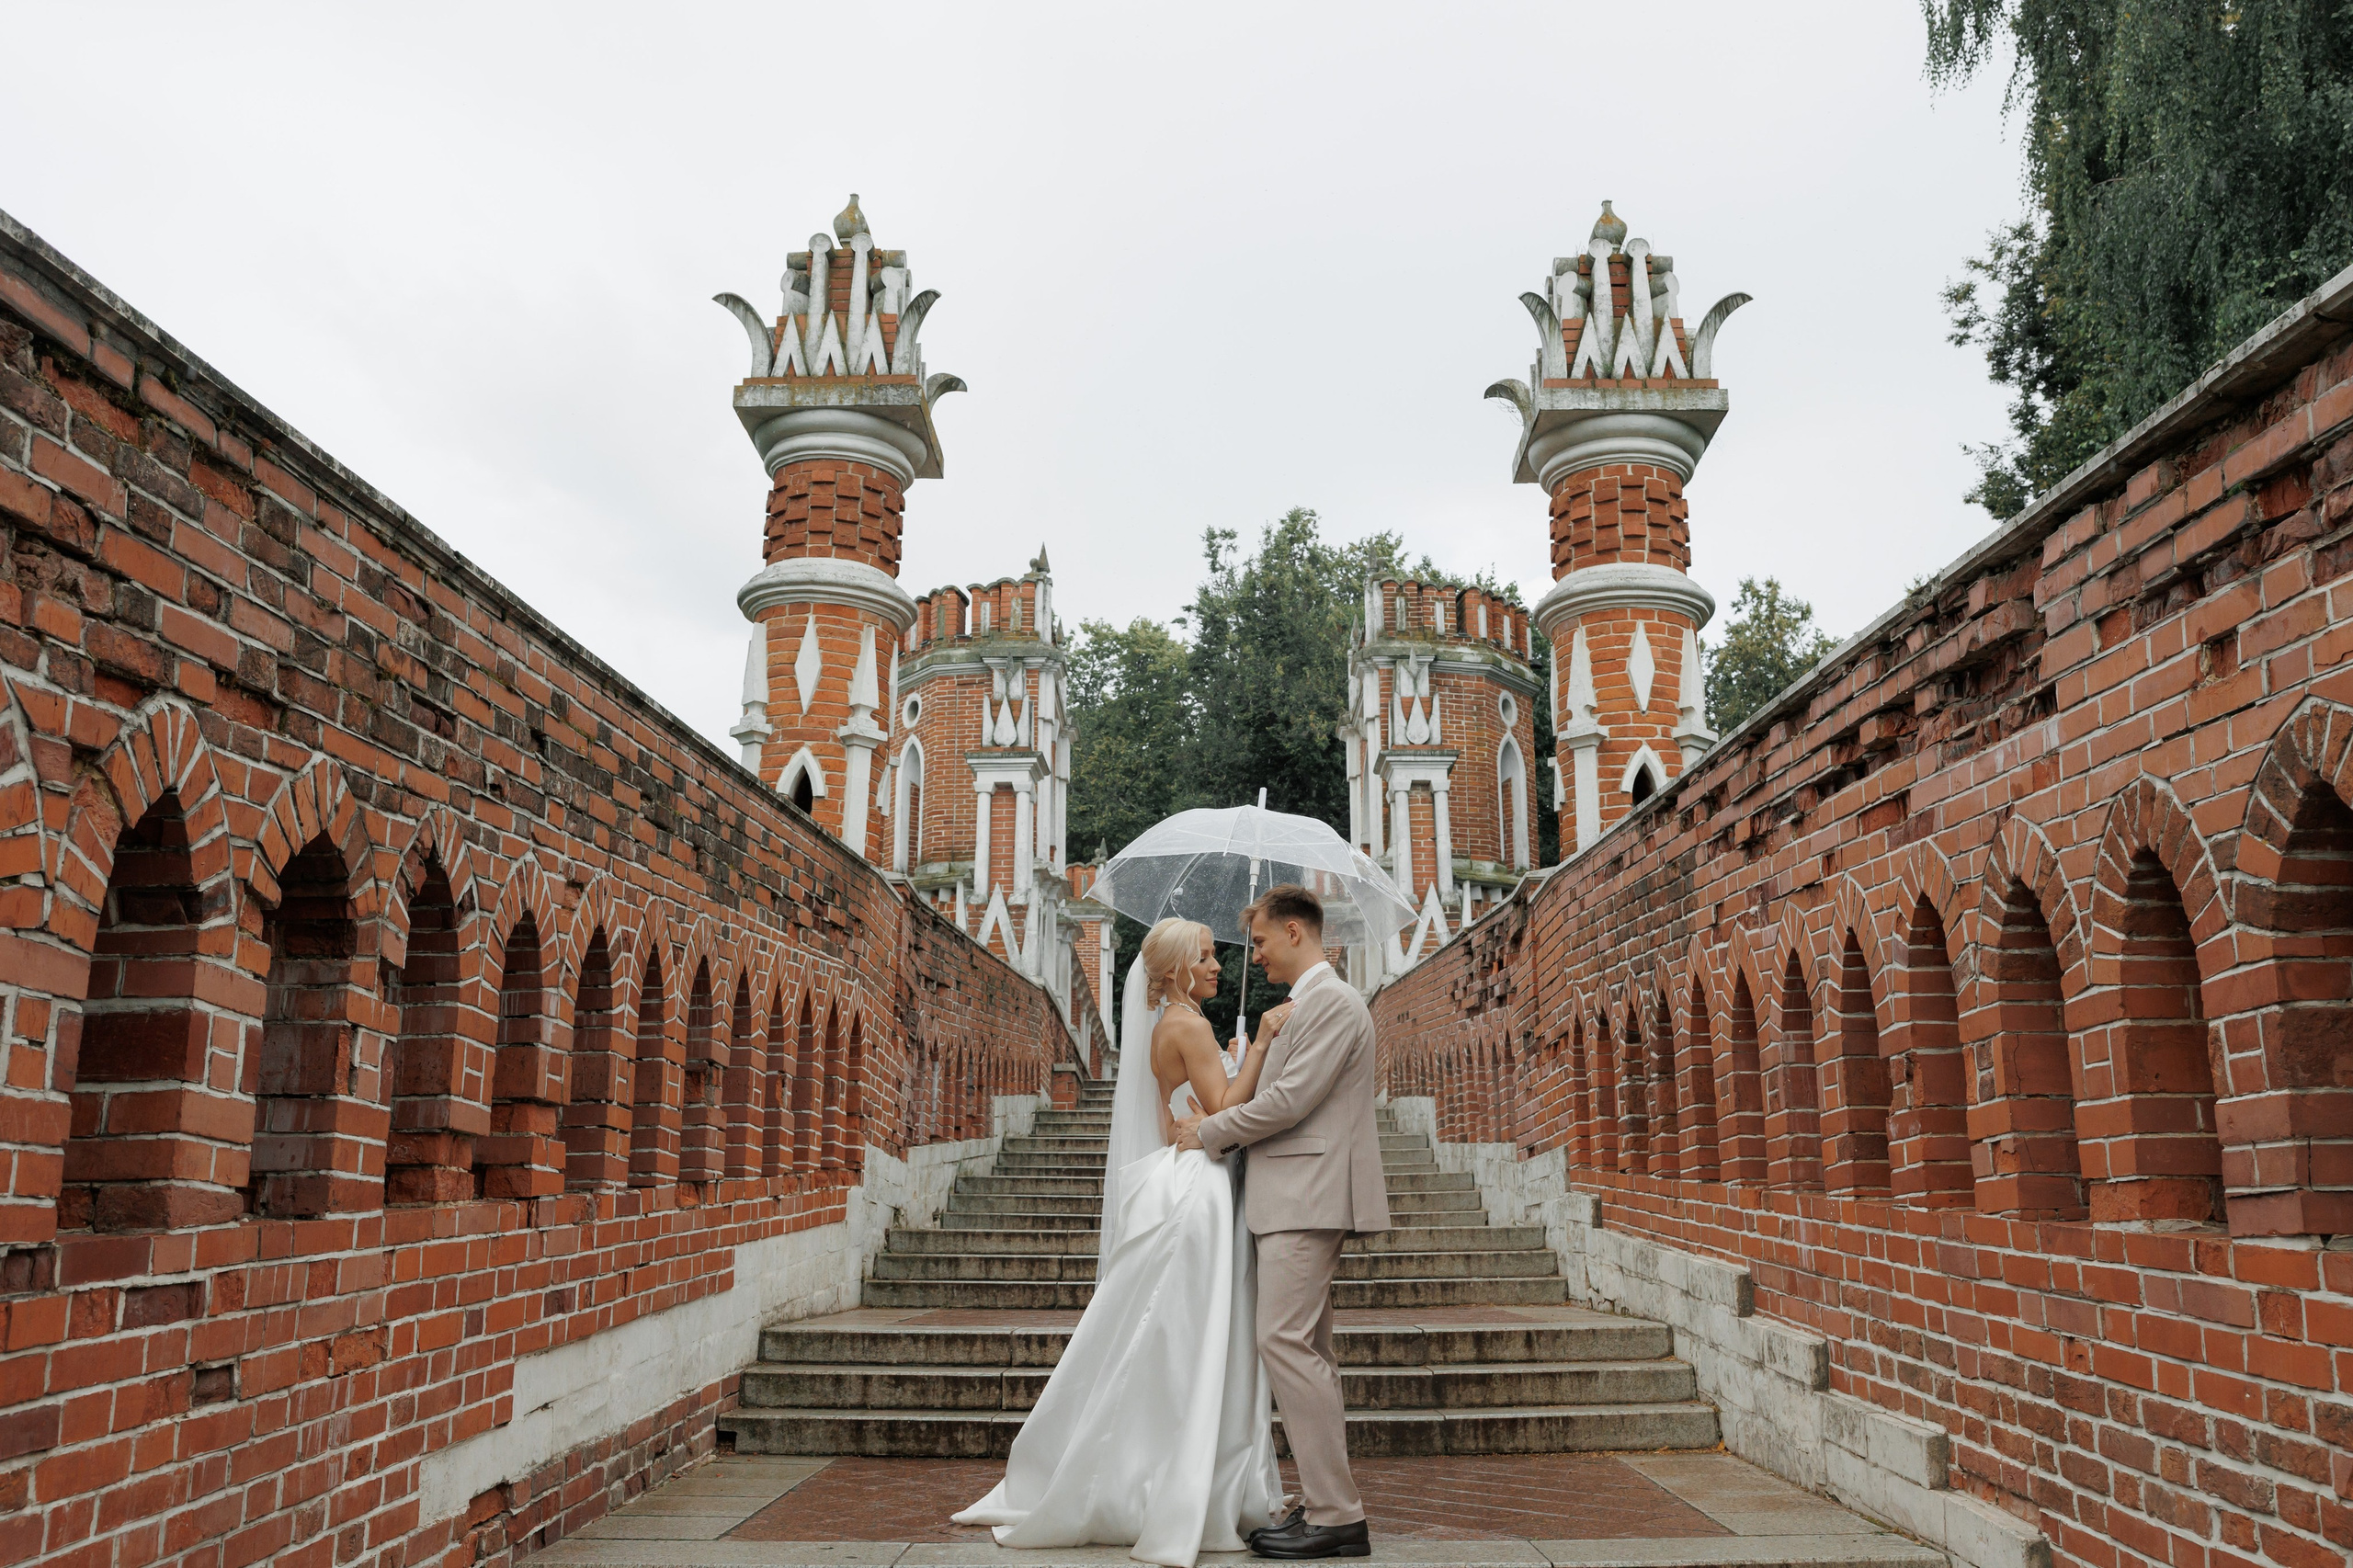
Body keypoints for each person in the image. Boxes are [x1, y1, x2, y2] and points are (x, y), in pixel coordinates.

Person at [953, 918, 1287, 1567]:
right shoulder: (1186, 1026)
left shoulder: (1173, 1024)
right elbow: (1221, 1111)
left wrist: (1233, 1063)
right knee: (1196, 1333)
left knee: (1181, 1332)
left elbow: (1173, 1120)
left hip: (1187, 1172)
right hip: (1202, 1189)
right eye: (1209, 956)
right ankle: (1185, 1478)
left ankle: (1167, 1466)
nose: (1220, 965)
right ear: (1176, 970)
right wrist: (1262, 1049)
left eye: (1217, 956)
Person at [1175, 884, 1387, 1561]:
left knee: (1287, 1345)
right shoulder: (1304, 1008)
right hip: (1294, 1194)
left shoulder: (1334, 1003)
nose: (1255, 955)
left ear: (1296, 931)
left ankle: (1337, 1515)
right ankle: (1326, 1505)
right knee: (1306, 1349)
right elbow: (1279, 1092)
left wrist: (1209, 1130)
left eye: (1261, 940)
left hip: (1309, 1194)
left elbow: (1291, 1103)